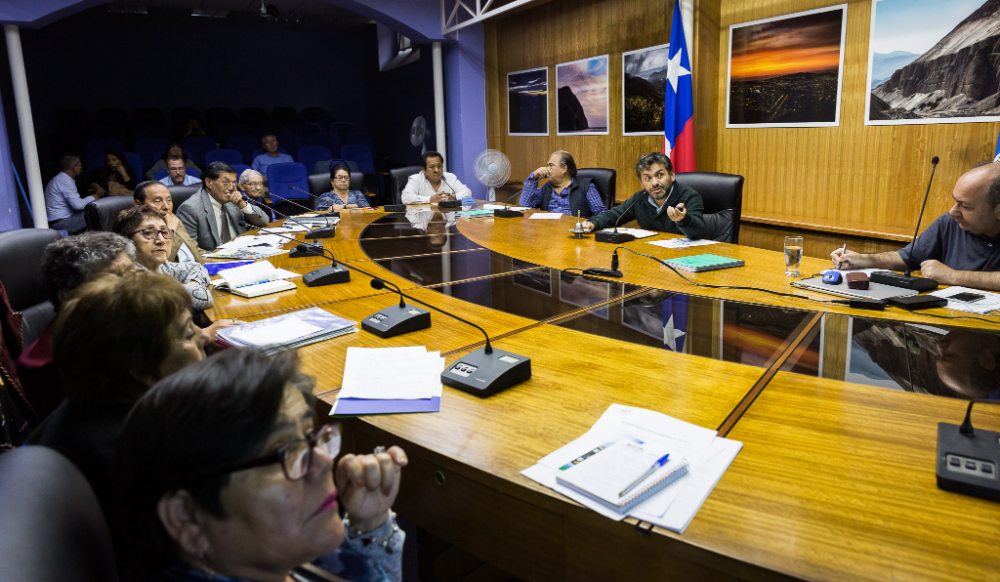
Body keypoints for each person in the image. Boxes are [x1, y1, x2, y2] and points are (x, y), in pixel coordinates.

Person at [117, 348, 407, 582]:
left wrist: (370, 524)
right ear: (186, 517)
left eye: (310, 437)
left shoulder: (271, 563)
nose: (323, 460)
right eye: (284, 451)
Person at [26, 271, 210, 562]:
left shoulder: (85, 408)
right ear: (141, 369)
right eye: (188, 333)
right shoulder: (138, 454)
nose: (203, 336)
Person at [16, 233, 134, 419]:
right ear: (69, 297)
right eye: (114, 280)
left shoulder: (124, 322)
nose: (134, 287)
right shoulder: (50, 368)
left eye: (132, 274)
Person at [831, 162, 1000, 291]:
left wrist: (954, 277)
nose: (953, 211)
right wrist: (863, 260)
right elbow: (907, 258)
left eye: (965, 206)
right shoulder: (950, 222)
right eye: (955, 200)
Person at [113, 205, 214, 311]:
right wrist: (191, 291)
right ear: (126, 242)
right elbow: (204, 298)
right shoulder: (134, 281)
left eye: (165, 232)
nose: (161, 240)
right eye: (149, 233)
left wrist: (191, 286)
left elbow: (196, 268)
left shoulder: (161, 266)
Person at [582, 152, 704, 238]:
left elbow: (698, 233)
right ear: (642, 183)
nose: (655, 182)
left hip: (685, 259)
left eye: (660, 175)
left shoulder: (689, 196)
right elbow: (614, 215)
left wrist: (683, 219)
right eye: (648, 178)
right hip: (651, 257)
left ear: (672, 175)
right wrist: (593, 223)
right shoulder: (640, 198)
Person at [176, 161, 270, 251]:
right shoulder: (190, 208)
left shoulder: (233, 201)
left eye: (233, 182)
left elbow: (264, 221)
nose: (231, 187)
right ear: (209, 182)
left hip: (243, 253)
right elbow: (191, 250)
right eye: (225, 182)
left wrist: (243, 205)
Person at [134, 180, 207, 264]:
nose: (166, 207)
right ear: (138, 204)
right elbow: (158, 268)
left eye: (169, 200)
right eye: (157, 201)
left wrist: (211, 264)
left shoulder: (171, 218)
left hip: (198, 271)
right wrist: (169, 232)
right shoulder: (138, 232)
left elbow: (194, 248)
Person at [519, 151, 606, 217]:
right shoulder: (546, 188)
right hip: (548, 231)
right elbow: (526, 204)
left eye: (551, 165)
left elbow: (601, 213)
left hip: (574, 232)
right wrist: (534, 177)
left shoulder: (585, 186)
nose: (547, 169)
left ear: (564, 168)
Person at [44, 154, 104, 234]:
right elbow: (78, 205)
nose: (81, 168)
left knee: (90, 214)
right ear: (74, 167)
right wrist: (93, 197)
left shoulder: (60, 179)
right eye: (80, 165)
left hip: (61, 220)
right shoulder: (65, 181)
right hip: (61, 223)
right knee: (97, 213)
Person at [400, 151, 471, 205]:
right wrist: (430, 199)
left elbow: (467, 192)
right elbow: (406, 198)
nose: (436, 170)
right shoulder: (415, 180)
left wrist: (454, 197)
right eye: (432, 167)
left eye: (439, 166)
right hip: (424, 220)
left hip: (447, 219)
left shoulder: (450, 178)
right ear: (424, 169)